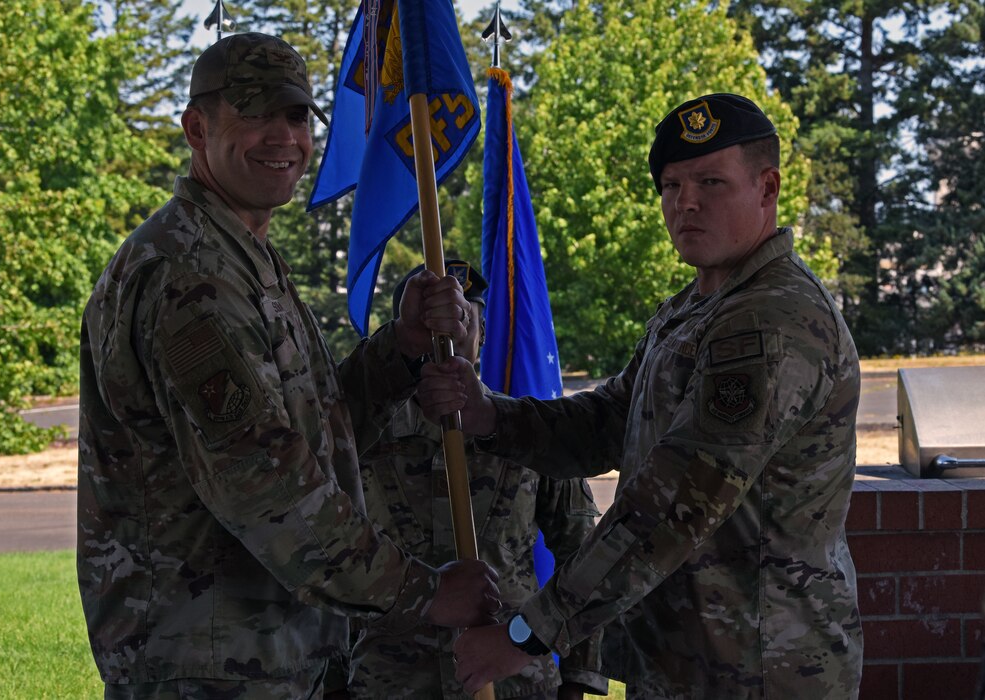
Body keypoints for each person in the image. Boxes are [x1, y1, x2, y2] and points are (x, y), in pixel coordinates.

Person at [77, 32, 500, 700]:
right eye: (253, 113)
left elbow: (307, 437)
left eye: (297, 115)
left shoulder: (241, 254)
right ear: (196, 127)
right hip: (209, 665)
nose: (283, 137)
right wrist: (424, 591)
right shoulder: (189, 276)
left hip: (270, 654)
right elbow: (266, 485)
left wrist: (402, 350)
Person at [419, 93, 863, 698]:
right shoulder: (699, 307)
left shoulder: (769, 321)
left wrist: (527, 634)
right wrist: (490, 415)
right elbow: (605, 423)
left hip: (759, 668)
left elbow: (671, 506)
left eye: (711, 181)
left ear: (767, 189)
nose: (686, 202)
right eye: (671, 184)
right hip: (691, 661)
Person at [347, 261, 609, 700]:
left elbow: (581, 553)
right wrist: (333, 681)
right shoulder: (360, 437)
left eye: (463, 316)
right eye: (434, 318)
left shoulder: (529, 430)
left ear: (482, 332)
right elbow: (322, 553)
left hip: (516, 681)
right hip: (391, 680)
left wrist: (580, 680)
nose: (448, 333)